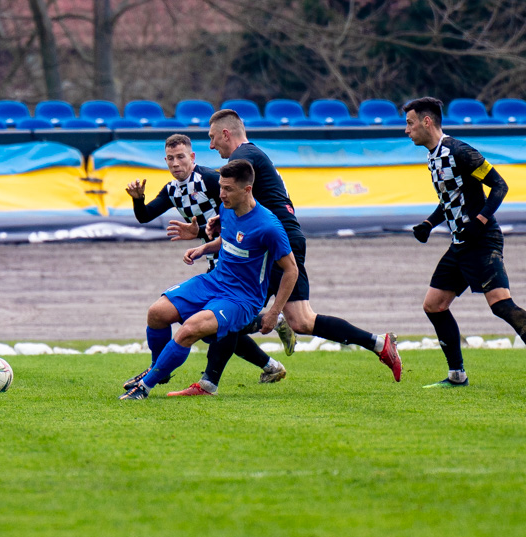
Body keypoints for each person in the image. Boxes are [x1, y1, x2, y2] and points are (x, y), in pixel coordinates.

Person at [204, 109, 402, 382]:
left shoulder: (242, 158)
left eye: (213, 138)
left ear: (226, 133)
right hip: (286, 237)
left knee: (227, 312)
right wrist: (222, 217)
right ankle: (379, 343)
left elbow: (228, 186)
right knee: (302, 321)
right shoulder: (255, 155)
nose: (212, 145)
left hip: (273, 242)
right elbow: (250, 202)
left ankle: (209, 381)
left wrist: (218, 213)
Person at [403, 97, 526, 388]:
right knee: (434, 305)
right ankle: (457, 375)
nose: (407, 130)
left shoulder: (460, 152)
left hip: (482, 241)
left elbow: (500, 185)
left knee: (501, 304)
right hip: (460, 244)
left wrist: (479, 221)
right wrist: (429, 223)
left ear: (427, 122)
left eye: (410, 123)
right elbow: (450, 201)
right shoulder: (433, 157)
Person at [123, 134, 295, 392]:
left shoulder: (215, 181)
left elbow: (247, 213)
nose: (175, 163)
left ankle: (210, 380)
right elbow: (146, 215)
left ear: (192, 157)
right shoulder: (176, 191)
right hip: (221, 259)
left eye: (180, 157)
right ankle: (266, 363)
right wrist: (203, 242)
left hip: (239, 269)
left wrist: (202, 232)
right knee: (169, 316)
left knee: (211, 326)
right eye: (170, 159)